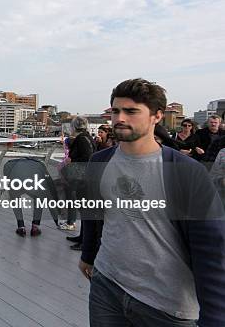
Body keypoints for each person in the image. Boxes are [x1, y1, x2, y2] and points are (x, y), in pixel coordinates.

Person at [79, 78, 225, 327]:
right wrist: (88, 254)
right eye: (115, 111)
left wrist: (214, 318)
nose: (119, 118)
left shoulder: (185, 171)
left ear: (157, 116)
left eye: (131, 111)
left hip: (166, 305)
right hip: (107, 286)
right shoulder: (99, 161)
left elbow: (212, 249)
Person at [60, 116, 95, 233]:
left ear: (74, 126)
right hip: (86, 175)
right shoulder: (88, 137)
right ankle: (79, 231)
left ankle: (71, 223)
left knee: (72, 198)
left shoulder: (81, 139)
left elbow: (87, 156)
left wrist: (72, 159)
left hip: (78, 175)